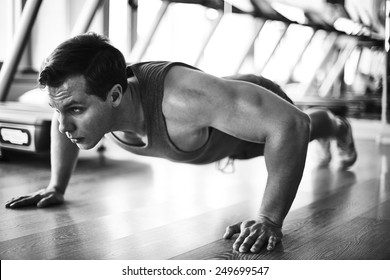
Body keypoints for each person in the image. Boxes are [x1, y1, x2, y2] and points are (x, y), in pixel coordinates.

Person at [5, 33, 357, 254]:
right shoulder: (81, 100)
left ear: (115, 95)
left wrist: (269, 219)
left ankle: (335, 126)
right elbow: (60, 119)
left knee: (306, 126)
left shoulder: (182, 98)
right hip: (218, 138)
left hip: (252, 113)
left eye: (75, 110)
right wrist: (56, 185)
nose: (65, 123)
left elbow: (289, 124)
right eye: (59, 109)